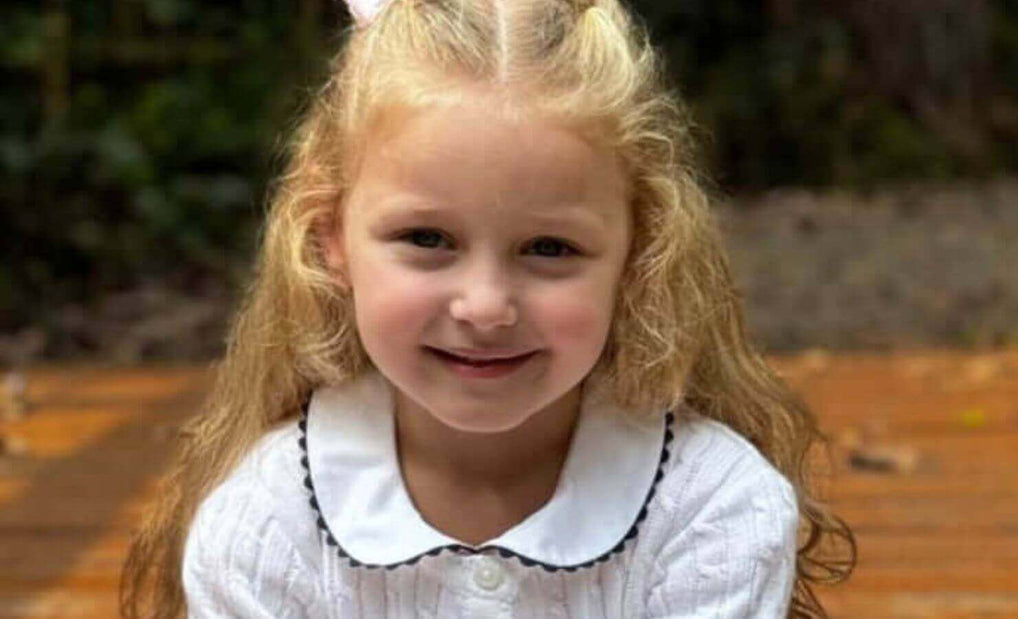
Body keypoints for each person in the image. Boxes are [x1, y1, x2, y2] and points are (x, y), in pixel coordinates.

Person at [121, 0, 855, 616]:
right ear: (330, 236)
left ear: (640, 252)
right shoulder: (266, 526)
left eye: (549, 248)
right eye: (428, 238)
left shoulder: (710, 506)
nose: (485, 306)